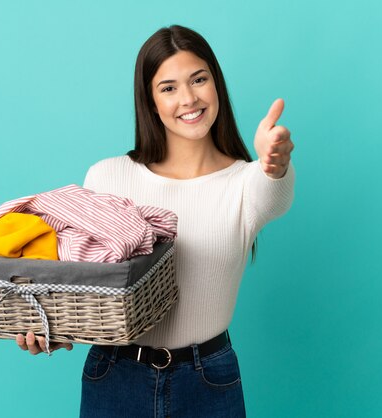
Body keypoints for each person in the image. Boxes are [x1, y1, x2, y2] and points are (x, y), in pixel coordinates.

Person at [16, 24, 295, 417]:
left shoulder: (245, 183)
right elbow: (86, 286)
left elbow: (275, 195)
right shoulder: (107, 177)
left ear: (217, 84)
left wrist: (273, 164)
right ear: (149, 102)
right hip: (115, 375)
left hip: (207, 380)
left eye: (199, 79)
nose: (189, 98)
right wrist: (55, 330)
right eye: (168, 88)